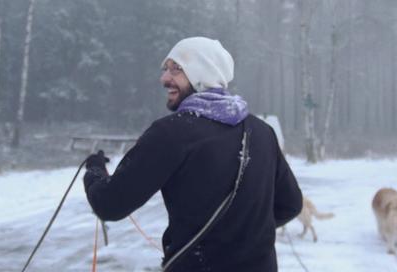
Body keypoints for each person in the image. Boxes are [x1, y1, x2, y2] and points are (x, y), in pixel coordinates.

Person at [83, 36, 302, 272]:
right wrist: (242, 239)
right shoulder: (261, 132)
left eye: (177, 69)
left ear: (203, 72)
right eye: (165, 69)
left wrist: (94, 170)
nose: (164, 78)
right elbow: (290, 204)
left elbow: (109, 204)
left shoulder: (171, 133)